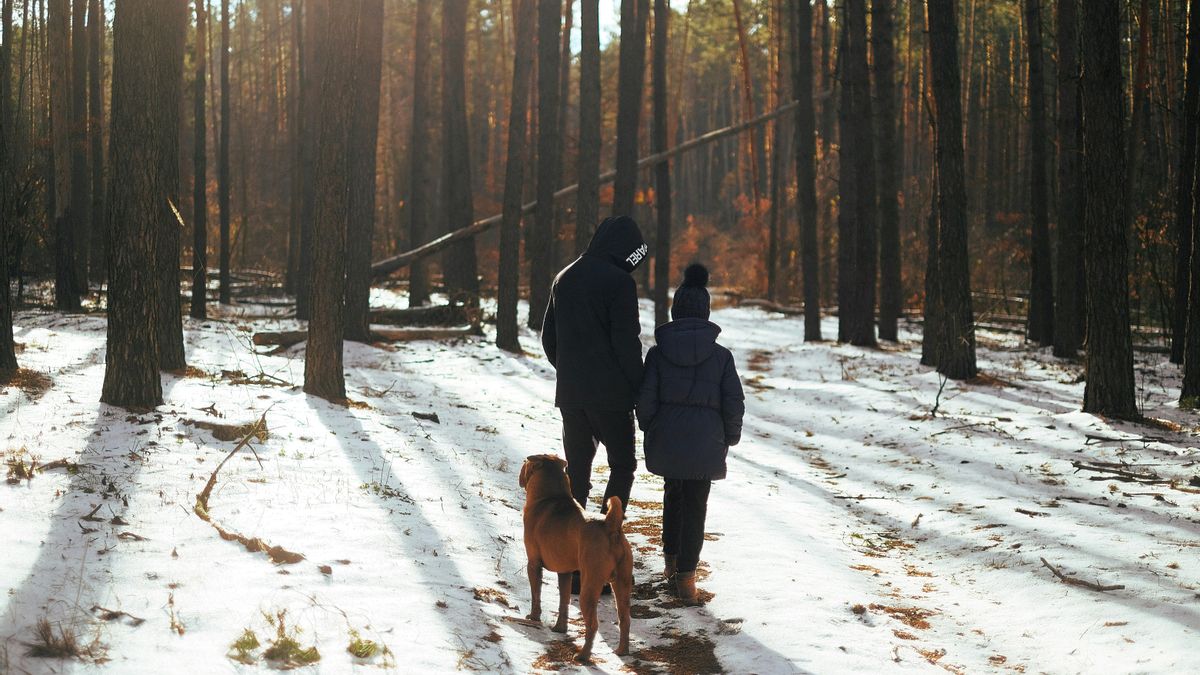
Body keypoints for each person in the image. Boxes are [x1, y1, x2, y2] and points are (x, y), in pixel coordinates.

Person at [635, 263, 744, 603]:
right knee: (696, 504)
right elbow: (733, 401)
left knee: (673, 492)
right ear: (706, 312)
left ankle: (669, 560)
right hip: (706, 442)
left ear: (675, 311)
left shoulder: (657, 353)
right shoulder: (721, 357)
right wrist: (729, 435)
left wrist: (650, 426)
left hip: (668, 439)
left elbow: (645, 399)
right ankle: (686, 579)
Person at [541, 215, 648, 519]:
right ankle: (607, 539)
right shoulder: (620, 282)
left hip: (572, 395)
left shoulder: (564, 277)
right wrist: (638, 386)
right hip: (612, 397)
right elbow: (627, 343)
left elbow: (548, 338)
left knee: (576, 473)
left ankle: (570, 546)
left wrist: (569, 370)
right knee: (622, 466)